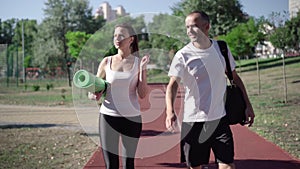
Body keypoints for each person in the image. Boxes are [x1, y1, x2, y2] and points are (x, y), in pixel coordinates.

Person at [165, 11, 255, 169]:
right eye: (187, 27)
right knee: (196, 166)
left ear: (207, 27)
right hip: (193, 122)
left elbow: (235, 78)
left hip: (219, 119)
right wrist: (170, 111)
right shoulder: (183, 55)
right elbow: (172, 85)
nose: (189, 31)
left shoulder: (221, 49)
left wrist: (248, 105)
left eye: (194, 26)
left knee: (227, 165)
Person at [89, 23, 150, 169]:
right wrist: (94, 94)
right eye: (115, 35)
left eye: (121, 36)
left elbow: (142, 94)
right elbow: (92, 92)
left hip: (132, 118)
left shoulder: (138, 63)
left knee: (129, 165)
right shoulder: (106, 61)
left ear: (131, 39)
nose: (117, 39)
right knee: (111, 165)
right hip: (108, 117)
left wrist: (142, 70)